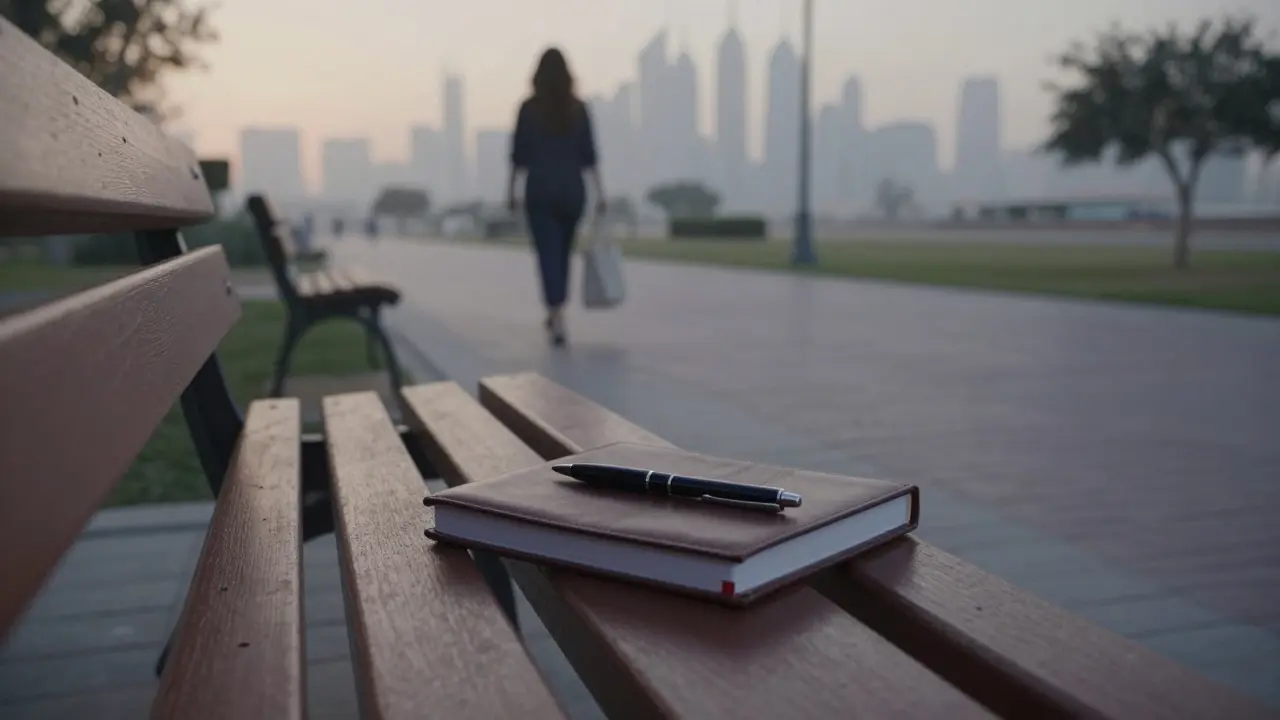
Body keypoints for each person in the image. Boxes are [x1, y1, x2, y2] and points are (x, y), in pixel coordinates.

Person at [508, 47, 606, 347]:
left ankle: (556, 312)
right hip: (571, 191)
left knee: (547, 254)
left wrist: (510, 191)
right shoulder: (578, 109)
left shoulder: (528, 109)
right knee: (563, 253)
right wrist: (601, 193)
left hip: (539, 191)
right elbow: (590, 156)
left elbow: (518, 156)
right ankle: (558, 308)